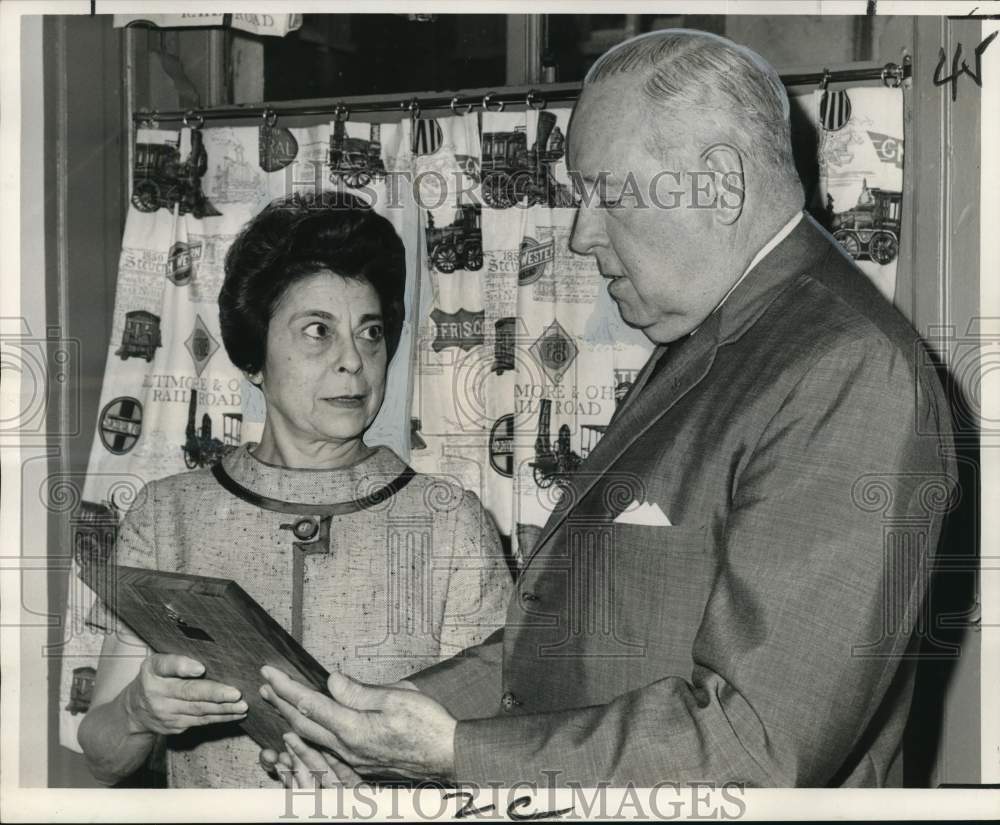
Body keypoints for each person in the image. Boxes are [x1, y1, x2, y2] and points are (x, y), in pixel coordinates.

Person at [259, 30, 957, 788]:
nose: (582, 233)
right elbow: (578, 632)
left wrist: (458, 752)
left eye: (605, 191)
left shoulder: (845, 366)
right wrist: (390, 717)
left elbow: (753, 747)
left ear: (720, 184)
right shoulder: (729, 334)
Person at [76, 191, 512, 788]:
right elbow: (103, 754)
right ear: (254, 355)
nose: (353, 362)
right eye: (317, 331)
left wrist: (381, 774)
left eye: (370, 333)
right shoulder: (166, 513)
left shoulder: (449, 520)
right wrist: (138, 711)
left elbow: (494, 746)